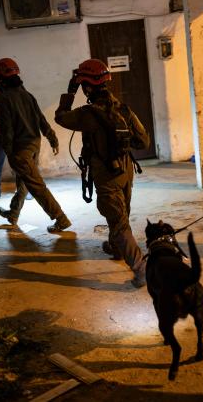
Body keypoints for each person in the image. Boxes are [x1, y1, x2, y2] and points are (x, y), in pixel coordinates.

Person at [54, 59, 150, 287]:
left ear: (86, 87)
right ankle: (117, 248)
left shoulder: (87, 114)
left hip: (107, 176)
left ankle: (142, 270)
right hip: (126, 171)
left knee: (118, 223)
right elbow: (143, 140)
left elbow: (60, 116)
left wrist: (70, 91)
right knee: (121, 213)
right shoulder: (123, 109)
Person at [0, 58, 71, 233]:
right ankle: (13, 213)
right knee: (24, 182)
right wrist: (52, 138)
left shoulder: (2, 99)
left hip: (20, 150)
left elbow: (7, 130)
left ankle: (61, 219)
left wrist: (9, 153)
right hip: (34, 145)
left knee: (36, 185)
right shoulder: (27, 95)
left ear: (0, 78)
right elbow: (41, 119)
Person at [0, 71, 34, 202]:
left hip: (16, 134)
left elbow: (23, 110)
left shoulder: (17, 89)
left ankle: (23, 190)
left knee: (20, 162)